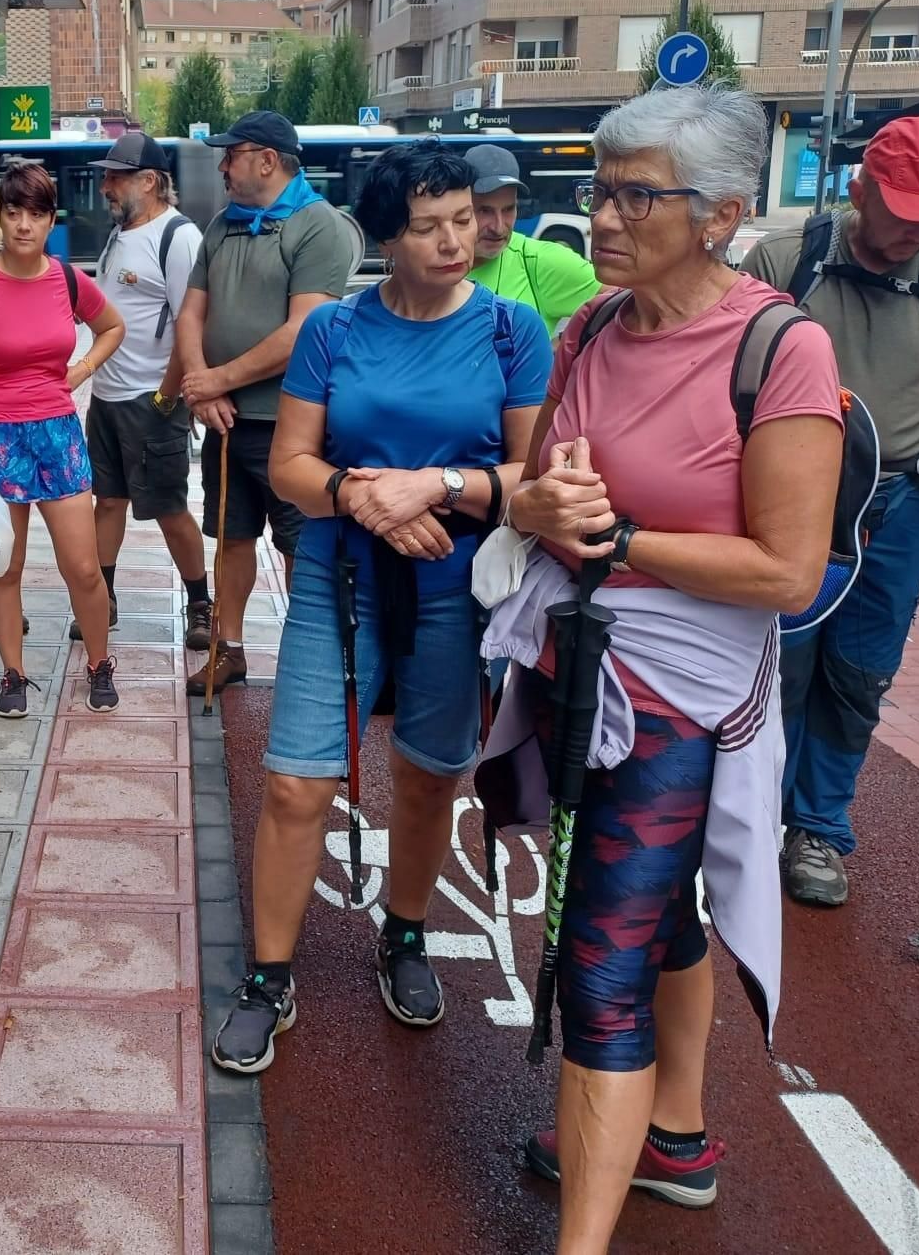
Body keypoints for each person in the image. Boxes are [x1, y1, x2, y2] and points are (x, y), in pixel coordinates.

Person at [486, 85, 843, 1248]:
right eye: (597, 188)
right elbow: (540, 483)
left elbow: (788, 573)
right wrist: (539, 505)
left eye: (636, 194)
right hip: (572, 663)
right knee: (646, 910)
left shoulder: (776, 348)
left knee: (599, 963)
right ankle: (672, 1137)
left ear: (722, 213)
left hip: (676, 699)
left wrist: (624, 542)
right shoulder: (589, 325)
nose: (600, 216)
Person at [208, 142, 551, 1077]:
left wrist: (432, 486)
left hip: (460, 586)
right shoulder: (335, 330)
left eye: (466, 219)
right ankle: (270, 977)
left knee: (431, 774)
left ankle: (403, 934)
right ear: (386, 235)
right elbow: (292, 467)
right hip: (338, 574)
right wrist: (370, 501)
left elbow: (531, 482)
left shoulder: (515, 331)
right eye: (430, 225)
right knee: (295, 783)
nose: (459, 239)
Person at [740, 116, 919, 907]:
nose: (915, 232)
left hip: (897, 503)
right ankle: (750, 816)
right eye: (901, 209)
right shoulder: (787, 259)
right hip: (786, 493)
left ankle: (818, 831)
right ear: (859, 187)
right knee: (774, 664)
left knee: (859, 673)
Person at [176, 111, 361, 694]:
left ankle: (313, 659)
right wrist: (202, 383)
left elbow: (304, 328)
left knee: (301, 548)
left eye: (231, 154)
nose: (223, 166)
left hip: (293, 426)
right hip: (227, 422)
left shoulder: (318, 226)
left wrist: (217, 380)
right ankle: (228, 648)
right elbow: (191, 312)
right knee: (231, 539)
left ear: (267, 159)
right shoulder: (222, 225)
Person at [0, 159, 126, 717]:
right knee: (5, 567)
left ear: (52, 221)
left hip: (58, 434)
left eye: (36, 214)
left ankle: (99, 663)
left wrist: (81, 369)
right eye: (13, 212)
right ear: (0, 216)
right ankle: (13, 674)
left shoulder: (68, 280)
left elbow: (112, 326)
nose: (24, 225)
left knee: (83, 567)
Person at [76, 132, 212, 651]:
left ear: (149, 181)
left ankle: (200, 604)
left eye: (116, 176)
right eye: (106, 175)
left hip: (152, 400)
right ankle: (102, 599)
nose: (105, 185)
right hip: (108, 399)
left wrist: (166, 396)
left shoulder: (178, 237)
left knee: (169, 507)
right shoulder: (119, 234)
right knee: (106, 501)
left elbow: (190, 324)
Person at [464, 143, 601, 339]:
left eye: (508, 209)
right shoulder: (432, 265)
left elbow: (631, 304)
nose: (499, 227)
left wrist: (566, 350)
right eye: (485, 210)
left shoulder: (540, 262)